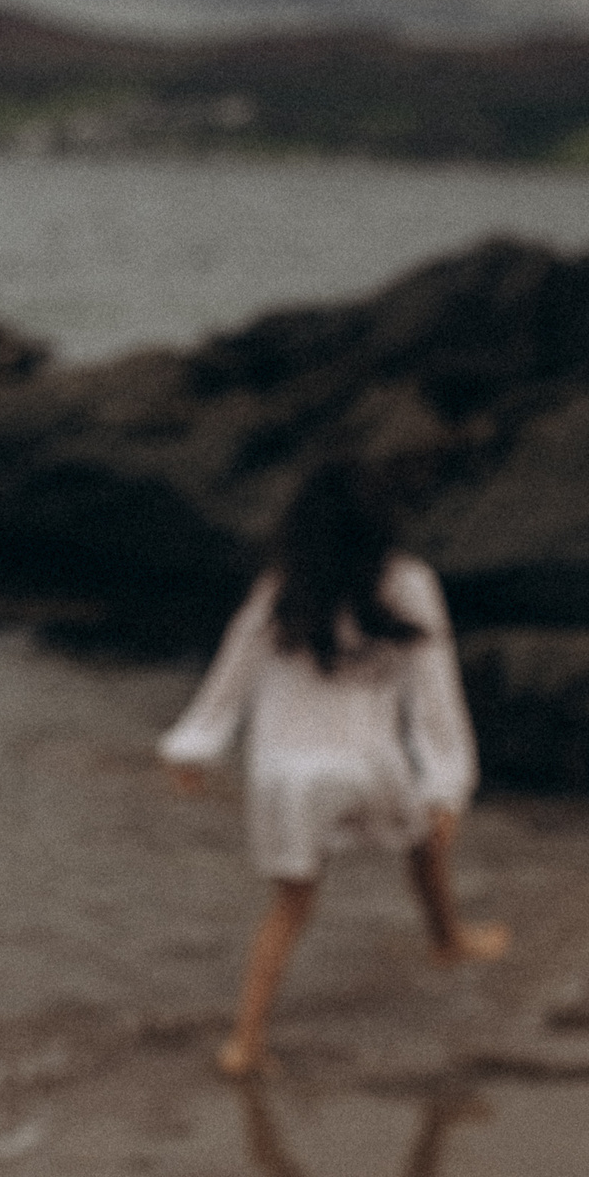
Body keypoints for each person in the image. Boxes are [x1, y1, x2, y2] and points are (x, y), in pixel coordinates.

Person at [160, 458, 508, 1079]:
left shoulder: (284, 588)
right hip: (365, 764)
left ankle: (244, 1041)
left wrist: (195, 745)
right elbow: (435, 697)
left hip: (284, 776)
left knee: (291, 906)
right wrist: (446, 783)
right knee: (425, 845)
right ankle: (447, 939)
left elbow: (231, 673)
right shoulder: (408, 584)